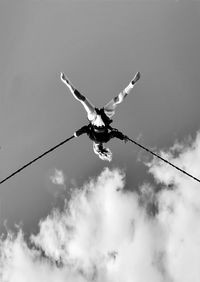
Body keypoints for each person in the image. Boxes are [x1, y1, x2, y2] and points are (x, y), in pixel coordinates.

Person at [60, 71, 141, 161]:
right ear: (95, 147)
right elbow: (85, 129)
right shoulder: (93, 139)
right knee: (82, 99)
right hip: (95, 120)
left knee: (117, 100)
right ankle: (67, 82)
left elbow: (113, 133)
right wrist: (76, 134)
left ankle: (131, 84)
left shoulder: (105, 139)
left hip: (103, 119)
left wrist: (122, 137)